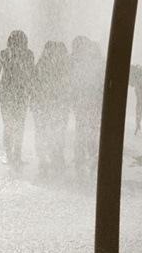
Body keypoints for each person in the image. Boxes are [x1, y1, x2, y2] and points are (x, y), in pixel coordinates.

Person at [0, 30, 35, 166]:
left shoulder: (3, 54)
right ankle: (14, 155)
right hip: (19, 94)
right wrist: (29, 89)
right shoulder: (28, 54)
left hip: (9, 94)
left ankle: (11, 155)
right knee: (17, 125)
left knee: (9, 124)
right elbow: (32, 74)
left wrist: (1, 88)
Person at [32, 40, 70, 178]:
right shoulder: (59, 66)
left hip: (47, 105)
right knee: (53, 130)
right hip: (51, 105)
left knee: (47, 130)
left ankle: (49, 157)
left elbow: (35, 84)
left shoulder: (43, 64)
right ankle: (52, 157)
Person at [70, 36, 104, 176]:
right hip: (92, 104)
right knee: (91, 132)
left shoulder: (85, 65)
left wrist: (74, 101)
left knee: (83, 132)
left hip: (85, 103)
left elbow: (75, 85)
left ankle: (83, 159)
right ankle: (91, 158)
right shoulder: (97, 65)